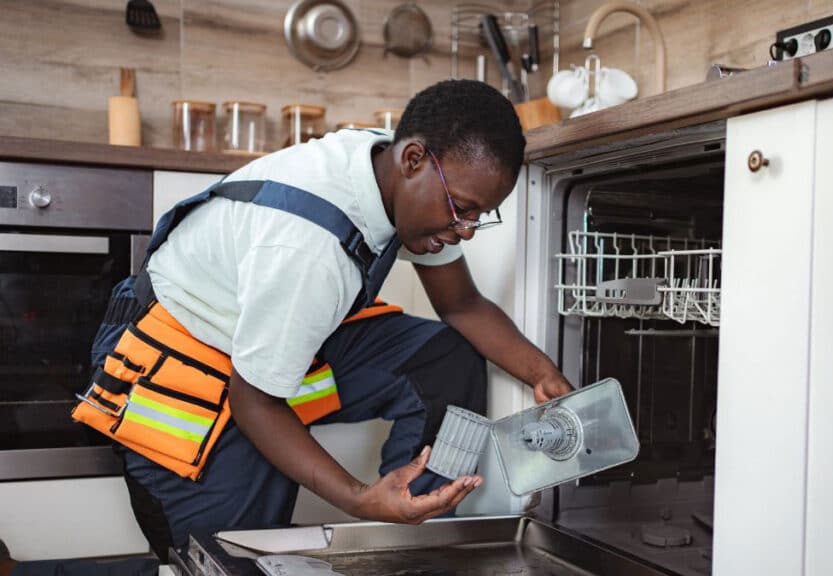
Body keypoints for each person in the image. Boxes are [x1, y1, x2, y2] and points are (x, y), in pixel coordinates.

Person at [3, 79, 571, 576]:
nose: (467, 229)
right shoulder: (309, 246)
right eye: (462, 209)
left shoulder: (384, 169)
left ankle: (412, 515)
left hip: (263, 348)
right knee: (229, 560)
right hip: (183, 370)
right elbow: (255, 404)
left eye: (479, 216)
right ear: (415, 160)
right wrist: (357, 499)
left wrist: (543, 373)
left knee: (443, 358)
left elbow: (463, 306)